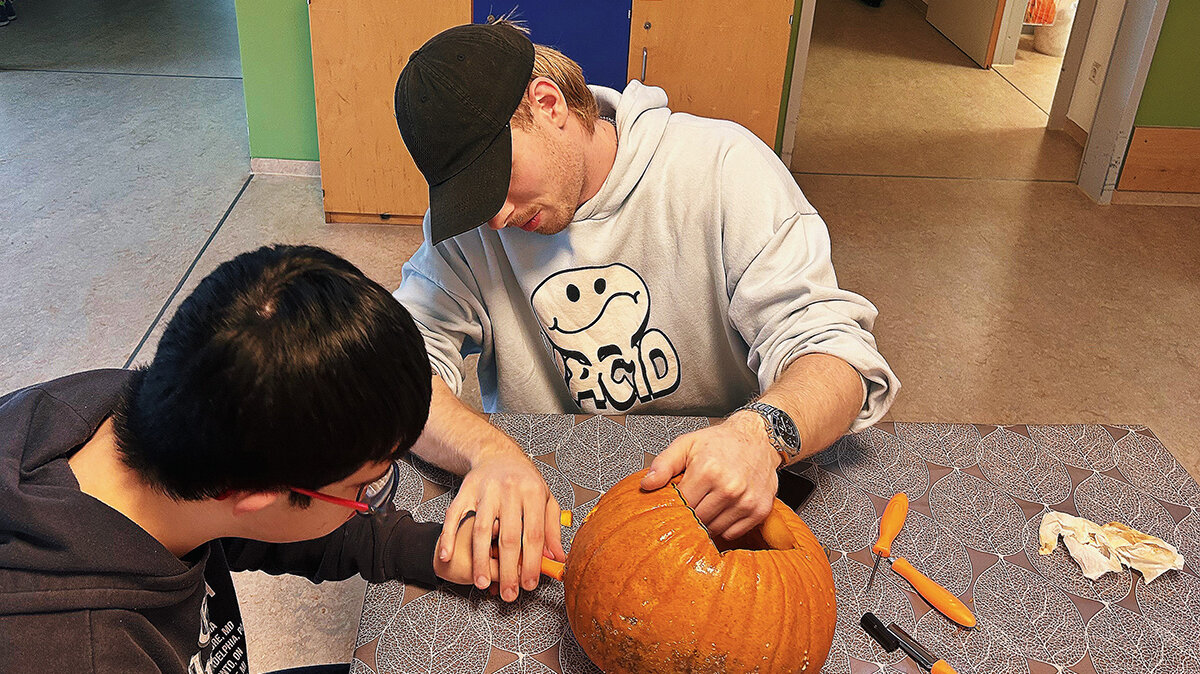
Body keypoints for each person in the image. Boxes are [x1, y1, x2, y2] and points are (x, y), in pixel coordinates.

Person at [391, 21, 900, 604]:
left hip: (720, 507)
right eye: (471, 199)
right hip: (554, 506)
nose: (497, 219)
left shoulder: (723, 169)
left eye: (496, 181)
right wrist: (489, 451)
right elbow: (398, 373)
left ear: (548, 103)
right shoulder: (473, 226)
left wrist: (761, 434)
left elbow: (836, 356)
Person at [0, 245, 494, 674]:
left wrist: (425, 548)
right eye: (361, 489)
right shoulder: (78, 653)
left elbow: (267, 526)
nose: (367, 499)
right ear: (256, 498)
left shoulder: (147, 414)